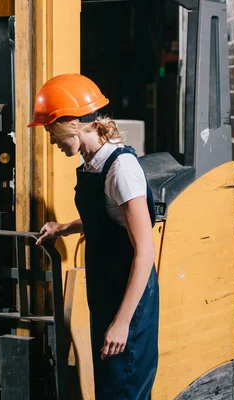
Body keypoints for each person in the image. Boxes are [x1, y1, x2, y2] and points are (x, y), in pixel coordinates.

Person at [31, 74, 159, 399]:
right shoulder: (92, 163)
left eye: (51, 131)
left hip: (127, 300)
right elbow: (105, 219)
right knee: (109, 389)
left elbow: (145, 251)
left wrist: (123, 323)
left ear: (71, 123)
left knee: (124, 389)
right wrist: (64, 228)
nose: (51, 141)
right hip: (106, 294)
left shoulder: (121, 170)